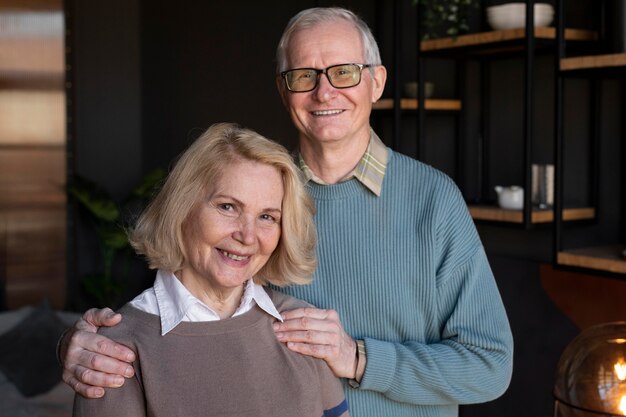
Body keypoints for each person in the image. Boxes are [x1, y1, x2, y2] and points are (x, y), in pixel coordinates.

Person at [61, 7, 514, 417]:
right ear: (284, 90)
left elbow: (490, 365)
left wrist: (358, 358)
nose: (323, 91)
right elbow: (187, 320)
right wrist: (76, 344)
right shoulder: (258, 202)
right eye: (304, 75)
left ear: (377, 82)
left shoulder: (433, 199)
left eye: (344, 72)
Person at [72, 122, 349, 417]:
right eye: (228, 207)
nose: (247, 236)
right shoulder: (114, 352)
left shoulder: (304, 328)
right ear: (183, 207)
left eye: (267, 216)